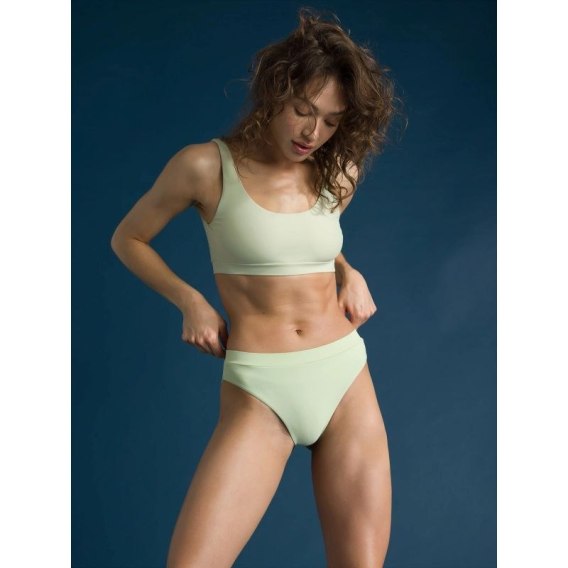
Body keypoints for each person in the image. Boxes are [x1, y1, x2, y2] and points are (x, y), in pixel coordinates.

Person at [111, 7, 403, 567]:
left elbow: (307, 239)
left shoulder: (338, 173)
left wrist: (348, 269)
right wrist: (191, 300)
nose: (313, 133)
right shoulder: (205, 166)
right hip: (262, 386)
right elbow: (129, 238)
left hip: (344, 376)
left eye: (331, 121)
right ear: (276, 91)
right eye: (303, 111)